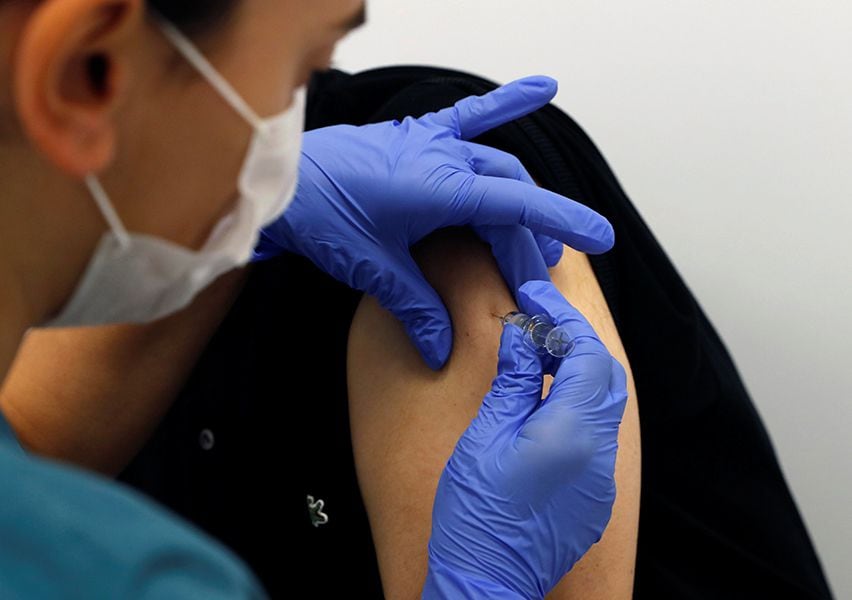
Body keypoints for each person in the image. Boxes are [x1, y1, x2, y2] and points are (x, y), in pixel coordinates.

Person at [0, 1, 629, 598]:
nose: (304, 124)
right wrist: (485, 586)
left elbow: (18, 449)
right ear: (86, 71)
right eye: (305, 66)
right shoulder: (138, 581)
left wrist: (245, 218)